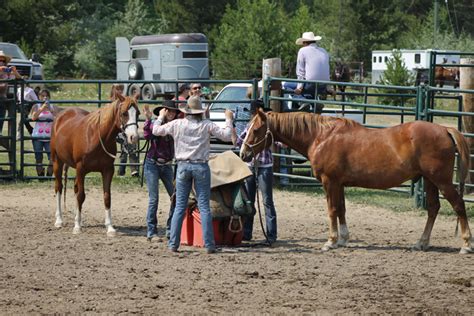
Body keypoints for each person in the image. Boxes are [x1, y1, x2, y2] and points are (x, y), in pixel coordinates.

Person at [152, 96, 234, 254]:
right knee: (204, 206)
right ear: (200, 112)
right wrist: (228, 119)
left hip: (183, 166)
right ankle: (209, 245)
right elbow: (226, 135)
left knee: (179, 207)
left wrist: (161, 116)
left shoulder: (178, 124)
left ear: (187, 111)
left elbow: (156, 130)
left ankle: (173, 244)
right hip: (201, 166)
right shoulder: (206, 125)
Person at [233, 100, 278, 243]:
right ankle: (247, 233)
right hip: (252, 166)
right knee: (250, 200)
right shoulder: (250, 126)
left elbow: (278, 141)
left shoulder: (268, 127)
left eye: (253, 112)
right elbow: (240, 141)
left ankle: (271, 234)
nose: (251, 114)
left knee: (267, 201)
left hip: (264, 166)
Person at [142, 100, 178, 241]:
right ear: (164, 111)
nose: (172, 113)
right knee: (154, 199)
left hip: (167, 165)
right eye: (169, 110)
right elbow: (147, 134)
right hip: (153, 164)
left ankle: (170, 229)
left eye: (174, 111)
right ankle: (152, 231)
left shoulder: (175, 125)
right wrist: (152, 119)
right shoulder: (157, 123)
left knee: (175, 197)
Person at [294, 31, 330, 111]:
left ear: (305, 42)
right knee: (311, 90)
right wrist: (328, 87)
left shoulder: (302, 51)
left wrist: (299, 87)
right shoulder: (324, 51)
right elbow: (327, 70)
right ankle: (315, 103)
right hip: (322, 86)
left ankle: (302, 101)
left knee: (286, 85)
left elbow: (300, 71)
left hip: (310, 85)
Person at [111, 84, 139, 177]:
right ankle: (132, 169)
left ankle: (122, 170)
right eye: (118, 89)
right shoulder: (111, 104)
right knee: (127, 142)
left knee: (128, 142)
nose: (120, 91)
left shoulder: (125, 102)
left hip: (124, 131)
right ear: (114, 90)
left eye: (121, 89)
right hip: (115, 133)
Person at [29, 89, 59, 177]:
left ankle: (49, 174)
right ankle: (40, 175)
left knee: (52, 157)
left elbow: (58, 118)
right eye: (42, 96)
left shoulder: (54, 107)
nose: (45, 97)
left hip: (50, 136)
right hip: (37, 136)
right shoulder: (36, 106)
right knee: (38, 157)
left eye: (46, 96)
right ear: (39, 97)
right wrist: (42, 109)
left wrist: (50, 110)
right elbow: (33, 117)